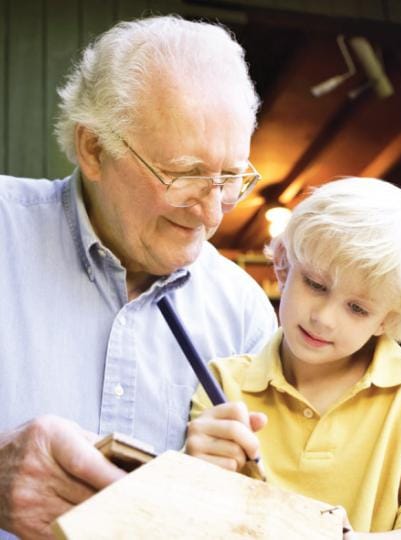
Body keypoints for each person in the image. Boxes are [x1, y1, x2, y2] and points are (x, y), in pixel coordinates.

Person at [0, 16, 277, 539]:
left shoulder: (245, 313)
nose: (212, 214)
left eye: (231, 178)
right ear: (94, 148)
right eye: (186, 174)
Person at [186, 178, 401, 540]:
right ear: (285, 265)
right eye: (316, 284)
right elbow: (196, 517)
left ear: (388, 319)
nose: (324, 317)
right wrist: (194, 467)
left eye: (357, 308)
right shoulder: (223, 384)